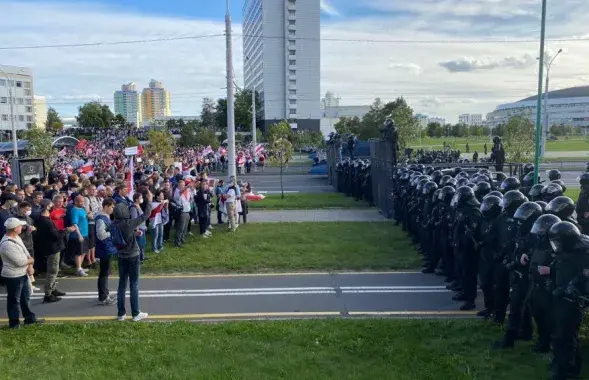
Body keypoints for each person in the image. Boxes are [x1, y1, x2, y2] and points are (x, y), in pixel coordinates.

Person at [113, 191, 153, 322]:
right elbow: (146, 215)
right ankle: (135, 313)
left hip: (121, 256)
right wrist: (150, 200)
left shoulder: (113, 224)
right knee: (134, 284)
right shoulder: (130, 223)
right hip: (133, 255)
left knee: (121, 285)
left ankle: (121, 314)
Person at [0, 218, 42, 329]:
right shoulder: (6, 244)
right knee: (14, 300)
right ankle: (14, 323)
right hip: (13, 276)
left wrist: (30, 266)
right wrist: (31, 261)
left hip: (22, 273)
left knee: (25, 297)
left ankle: (29, 319)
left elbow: (25, 252)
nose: (22, 228)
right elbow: (19, 261)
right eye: (20, 226)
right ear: (14, 229)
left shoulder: (16, 237)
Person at [34, 199, 75, 303]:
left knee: (54, 270)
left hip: (51, 247)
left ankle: (53, 289)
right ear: (47, 206)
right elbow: (56, 235)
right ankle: (48, 294)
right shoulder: (46, 221)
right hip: (52, 248)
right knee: (53, 271)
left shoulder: (41, 218)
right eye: (51, 205)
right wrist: (67, 230)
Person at [94, 197, 117, 306]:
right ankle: (103, 297)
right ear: (106, 206)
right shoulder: (100, 219)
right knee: (103, 273)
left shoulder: (106, 217)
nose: (113, 209)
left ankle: (105, 293)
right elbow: (101, 235)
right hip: (104, 249)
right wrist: (111, 233)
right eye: (112, 207)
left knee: (106, 272)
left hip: (107, 248)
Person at [68, 195, 89, 277]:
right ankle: (78, 268)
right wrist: (79, 235)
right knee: (79, 252)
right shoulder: (74, 210)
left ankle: (80, 267)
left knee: (84, 251)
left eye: (83, 201)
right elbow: (74, 223)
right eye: (80, 201)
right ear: (76, 202)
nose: (82, 203)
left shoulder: (83, 209)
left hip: (85, 233)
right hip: (78, 235)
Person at [130, 193, 147, 262]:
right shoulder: (133, 208)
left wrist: (144, 226)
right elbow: (134, 219)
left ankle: (142, 256)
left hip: (142, 227)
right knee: (139, 244)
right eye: (140, 198)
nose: (142, 199)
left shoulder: (138, 206)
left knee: (142, 243)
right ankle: (138, 258)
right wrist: (136, 230)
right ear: (136, 199)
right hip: (138, 229)